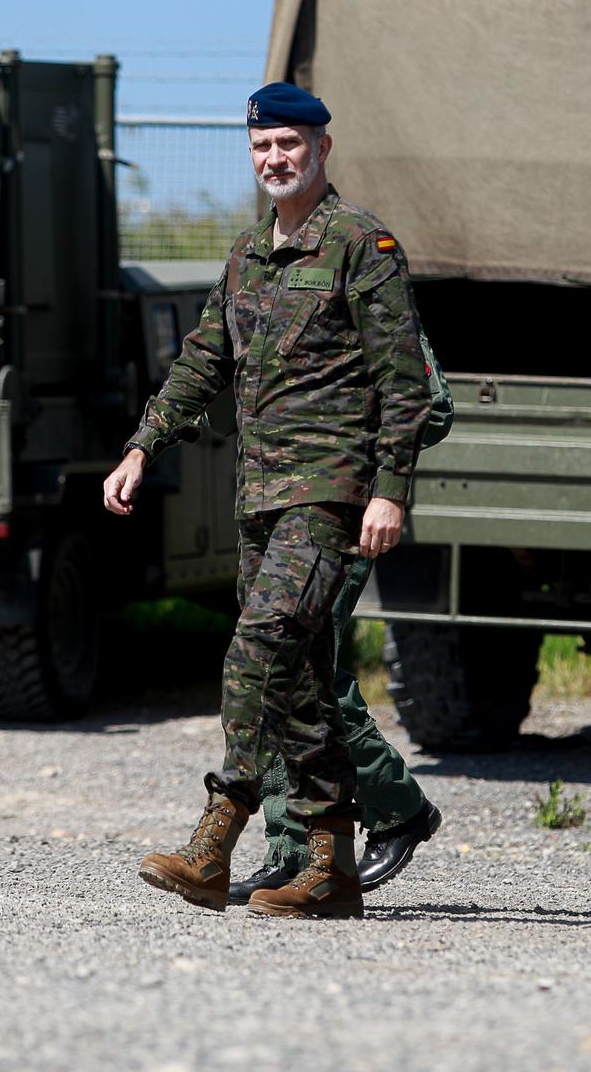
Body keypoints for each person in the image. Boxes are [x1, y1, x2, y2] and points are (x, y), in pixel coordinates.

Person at [105, 81, 432, 920]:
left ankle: (216, 837)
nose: (275, 159)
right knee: (298, 680)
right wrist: (145, 444)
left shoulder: (363, 243)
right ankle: (329, 868)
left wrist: (390, 490)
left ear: (323, 149)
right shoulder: (248, 254)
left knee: (256, 652)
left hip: (331, 494)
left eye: (290, 144)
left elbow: (404, 382)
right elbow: (202, 359)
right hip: (261, 497)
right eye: (262, 148)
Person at [230, 330, 453, 906]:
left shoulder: (364, 289)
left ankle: (395, 807)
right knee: (277, 678)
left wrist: (353, 461)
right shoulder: (265, 278)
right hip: (270, 516)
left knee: (302, 675)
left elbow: (433, 407)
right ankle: (293, 852)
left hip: (336, 517)